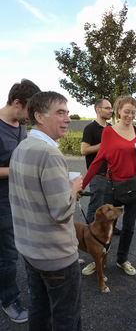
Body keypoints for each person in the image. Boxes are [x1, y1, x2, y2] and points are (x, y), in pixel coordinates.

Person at [9, 91, 83, 330]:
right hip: (55, 256)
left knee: (39, 311)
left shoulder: (23, 146)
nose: (68, 118)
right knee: (65, 319)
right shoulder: (50, 153)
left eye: (68, 112)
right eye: (60, 112)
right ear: (39, 116)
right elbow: (61, 212)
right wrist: (72, 189)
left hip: (30, 250)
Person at [81, 95, 136, 276]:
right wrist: (82, 185)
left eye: (133, 112)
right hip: (113, 186)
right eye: (126, 111)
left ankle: (122, 259)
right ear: (118, 111)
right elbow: (97, 161)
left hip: (133, 184)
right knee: (106, 226)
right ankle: (98, 260)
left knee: (129, 227)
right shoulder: (108, 132)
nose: (130, 115)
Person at [0, 79, 40, 323]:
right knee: (7, 255)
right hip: (2, 204)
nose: (32, 117)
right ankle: (9, 299)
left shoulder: (19, 125)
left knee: (12, 251)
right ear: (17, 103)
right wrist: (19, 169)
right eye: (30, 110)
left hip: (17, 200)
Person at [81, 98, 120, 277]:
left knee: (109, 207)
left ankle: (105, 236)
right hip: (97, 175)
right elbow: (84, 150)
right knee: (95, 208)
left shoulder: (111, 128)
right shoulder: (90, 129)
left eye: (111, 108)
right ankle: (90, 244)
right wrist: (104, 145)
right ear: (98, 110)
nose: (110, 110)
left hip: (111, 174)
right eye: (107, 108)